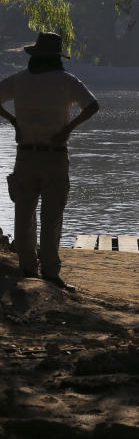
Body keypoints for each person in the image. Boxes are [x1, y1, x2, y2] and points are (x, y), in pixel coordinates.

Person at [0, 32, 99, 292]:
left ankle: (28, 268)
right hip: (55, 157)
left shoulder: (19, 81)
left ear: (33, 57)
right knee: (52, 217)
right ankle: (51, 273)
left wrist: (13, 121)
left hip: (25, 155)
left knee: (23, 214)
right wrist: (68, 129)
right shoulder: (67, 81)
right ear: (57, 58)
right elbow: (92, 106)